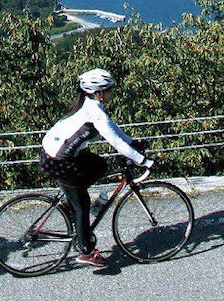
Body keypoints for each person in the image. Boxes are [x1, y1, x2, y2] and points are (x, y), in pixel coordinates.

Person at [40, 68, 154, 268]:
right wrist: (142, 161)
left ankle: (70, 203)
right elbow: (115, 143)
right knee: (82, 205)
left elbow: (114, 130)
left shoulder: (91, 105)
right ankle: (86, 252)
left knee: (100, 165)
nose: (113, 93)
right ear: (98, 92)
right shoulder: (94, 112)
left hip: (59, 152)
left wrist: (133, 143)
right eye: (110, 89)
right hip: (58, 159)